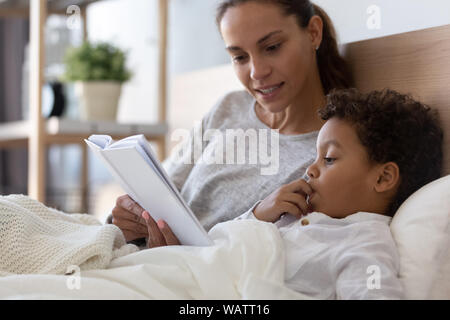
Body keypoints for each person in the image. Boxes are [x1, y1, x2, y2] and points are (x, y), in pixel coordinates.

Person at [143, 88, 444, 299]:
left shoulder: (363, 242)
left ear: (383, 177)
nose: (310, 170)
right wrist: (260, 214)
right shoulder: (296, 215)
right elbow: (224, 244)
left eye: (329, 159)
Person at [110, 0, 352, 245]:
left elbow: (278, 256)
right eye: (239, 57)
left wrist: (252, 219)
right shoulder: (229, 107)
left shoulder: (330, 154)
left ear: (313, 33)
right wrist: (130, 217)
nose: (256, 72)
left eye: (272, 47)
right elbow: (164, 187)